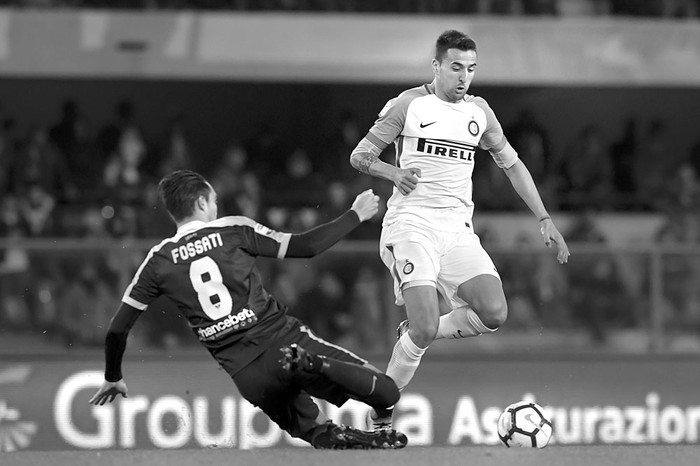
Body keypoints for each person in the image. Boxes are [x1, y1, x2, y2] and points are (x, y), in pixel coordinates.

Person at [88, 169, 407, 450]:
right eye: (213, 201)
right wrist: (355, 214)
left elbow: (118, 328)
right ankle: (314, 365)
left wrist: (113, 376)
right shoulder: (232, 229)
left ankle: (357, 435)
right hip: (284, 341)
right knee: (388, 392)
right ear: (201, 202)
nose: (215, 208)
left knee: (320, 433)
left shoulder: (157, 261)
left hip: (248, 376)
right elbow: (305, 247)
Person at [349, 30, 570, 430]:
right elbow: (360, 154)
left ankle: (417, 331)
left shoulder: (480, 112)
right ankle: (380, 416)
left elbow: (513, 164)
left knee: (494, 312)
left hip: (456, 229)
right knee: (426, 326)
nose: (463, 77)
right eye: (455, 67)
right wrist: (392, 171)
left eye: (470, 69)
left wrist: (544, 218)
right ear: (436, 66)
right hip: (411, 225)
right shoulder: (409, 105)